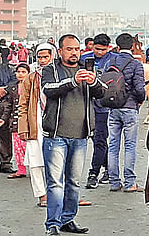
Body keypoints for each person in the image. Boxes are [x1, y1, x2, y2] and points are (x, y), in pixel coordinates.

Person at [42, 34, 106, 235]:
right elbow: (48, 89)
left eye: (76, 49)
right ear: (60, 51)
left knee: (74, 181)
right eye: (69, 49)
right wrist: (72, 81)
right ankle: (52, 223)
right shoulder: (50, 69)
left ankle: (67, 219)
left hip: (80, 136)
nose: (74, 53)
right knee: (55, 182)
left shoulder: (86, 69)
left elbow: (102, 92)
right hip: (56, 135)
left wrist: (94, 80)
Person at [106, 33, 146, 193]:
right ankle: (130, 183)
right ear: (132, 46)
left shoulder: (110, 61)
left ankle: (114, 182)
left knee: (113, 145)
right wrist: (140, 100)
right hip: (130, 107)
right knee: (129, 145)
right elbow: (139, 88)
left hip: (113, 107)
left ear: (117, 45)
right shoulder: (136, 64)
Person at [18, 43, 55, 207]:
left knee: (58, 161)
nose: (42, 60)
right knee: (35, 161)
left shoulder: (59, 75)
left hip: (56, 122)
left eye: (46, 57)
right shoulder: (31, 78)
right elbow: (23, 104)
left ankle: (64, 196)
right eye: (40, 57)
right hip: (35, 123)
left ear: (53, 56)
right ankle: (42, 195)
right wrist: (22, 127)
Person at [80, 34, 116, 189]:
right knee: (97, 140)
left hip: (104, 107)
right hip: (86, 104)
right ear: (91, 46)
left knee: (99, 140)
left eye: (102, 50)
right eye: (96, 49)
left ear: (108, 48)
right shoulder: (84, 58)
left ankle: (93, 173)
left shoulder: (114, 59)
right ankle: (108, 168)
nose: (99, 52)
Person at [0, 45, 18, 174]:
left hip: (4, 105)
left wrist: (3, 92)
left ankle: (5, 162)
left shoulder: (7, 68)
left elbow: (15, 81)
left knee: (5, 135)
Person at [7, 62, 31, 179]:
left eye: (23, 72)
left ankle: (37, 169)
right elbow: (9, 106)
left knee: (30, 147)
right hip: (15, 121)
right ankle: (21, 169)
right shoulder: (13, 88)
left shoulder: (33, 87)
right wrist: (3, 119)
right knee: (18, 147)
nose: (20, 74)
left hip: (29, 122)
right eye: (18, 72)